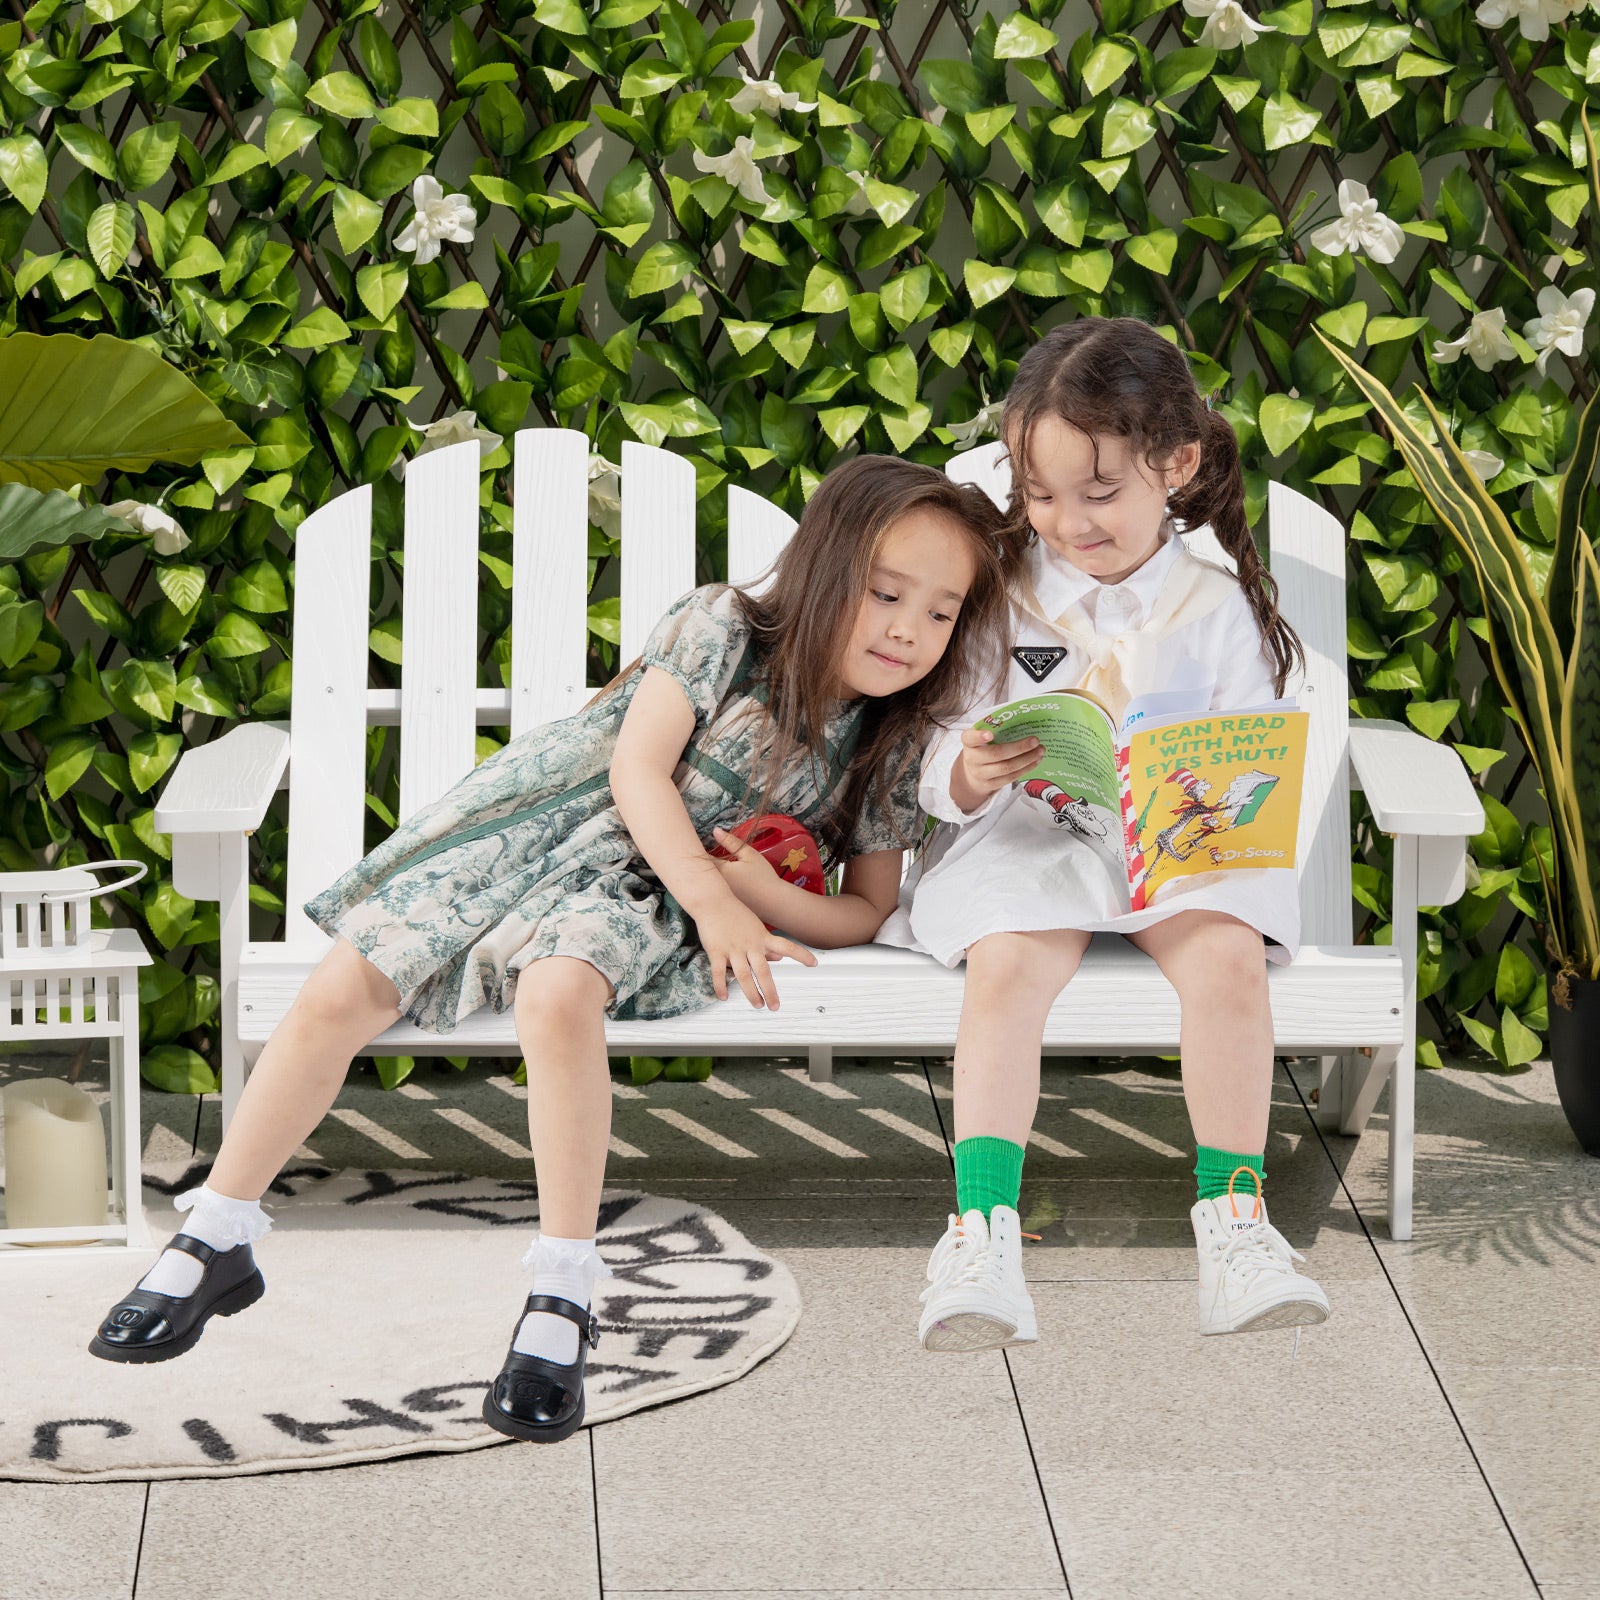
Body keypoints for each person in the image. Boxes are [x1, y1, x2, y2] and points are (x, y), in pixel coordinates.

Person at [89, 454, 1008, 1443]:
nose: (909, 627)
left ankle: (562, 1293)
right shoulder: (721, 627)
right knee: (344, 987)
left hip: (645, 892)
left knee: (557, 991)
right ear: (827, 568)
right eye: (885, 593)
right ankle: (219, 1231)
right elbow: (636, 768)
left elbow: (865, 909)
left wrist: (745, 893)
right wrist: (717, 890)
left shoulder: (889, 739)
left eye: (942, 610)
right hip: (538, 828)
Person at [883, 317, 1332, 1350]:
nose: (1068, 523)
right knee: (1009, 960)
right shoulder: (999, 592)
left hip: (1173, 843)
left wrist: (1200, 798)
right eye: (1041, 497)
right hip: (1027, 837)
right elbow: (942, 738)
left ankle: (1235, 1223)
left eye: (1098, 494)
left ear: (1172, 465)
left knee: (1225, 957)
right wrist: (971, 767)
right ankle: (982, 1228)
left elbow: (1250, 754)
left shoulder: (1214, 608)